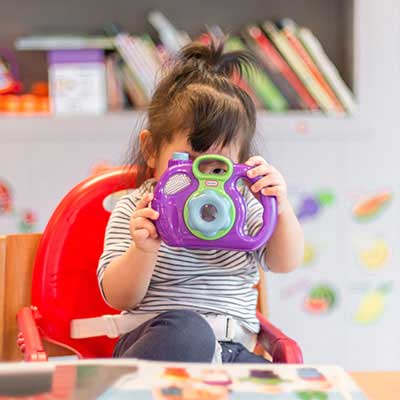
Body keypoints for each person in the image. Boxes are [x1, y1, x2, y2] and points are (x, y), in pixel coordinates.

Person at [97, 38, 304, 363]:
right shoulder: (138, 209)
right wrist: (143, 250)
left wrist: (280, 206)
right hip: (161, 345)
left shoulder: (242, 206)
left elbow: (285, 262)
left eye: (217, 167)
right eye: (189, 161)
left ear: (240, 164)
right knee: (189, 332)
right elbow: (118, 295)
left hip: (232, 351)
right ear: (152, 150)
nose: (203, 181)